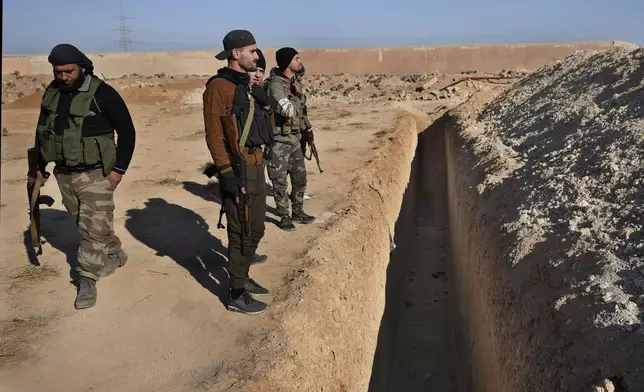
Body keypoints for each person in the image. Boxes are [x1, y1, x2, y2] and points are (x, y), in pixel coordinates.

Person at [34, 43, 135, 310]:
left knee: (91, 231)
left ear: (82, 68)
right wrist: (39, 164)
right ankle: (113, 251)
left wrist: (118, 170)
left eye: (69, 71)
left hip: (96, 174)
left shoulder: (103, 94)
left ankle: (87, 279)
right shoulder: (53, 92)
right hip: (64, 174)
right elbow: (43, 130)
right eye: (58, 72)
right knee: (87, 224)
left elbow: (128, 132)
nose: (64, 76)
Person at [203, 30, 274, 314]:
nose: (257, 56)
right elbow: (214, 134)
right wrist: (225, 172)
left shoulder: (246, 85)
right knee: (241, 229)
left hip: (257, 164)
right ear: (236, 54)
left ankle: (242, 277)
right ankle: (235, 293)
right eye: (252, 51)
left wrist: (258, 91)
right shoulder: (218, 87)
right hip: (238, 167)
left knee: (256, 228)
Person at [264, 47, 316, 231]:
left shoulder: (292, 82)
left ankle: (298, 211)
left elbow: (300, 113)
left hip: (294, 140)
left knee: (300, 178)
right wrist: (298, 95)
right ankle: (284, 216)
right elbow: (288, 110)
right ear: (287, 62)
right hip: (279, 141)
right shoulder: (276, 86)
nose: (300, 61)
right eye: (296, 58)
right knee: (279, 181)